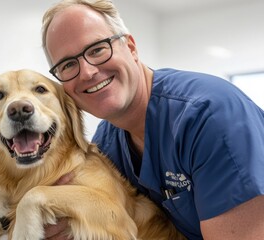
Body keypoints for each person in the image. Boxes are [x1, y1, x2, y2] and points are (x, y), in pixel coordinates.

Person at [41, 0, 264, 239]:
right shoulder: (106, 144)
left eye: (97, 49)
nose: (87, 72)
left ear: (131, 47)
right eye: (67, 64)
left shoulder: (208, 117)